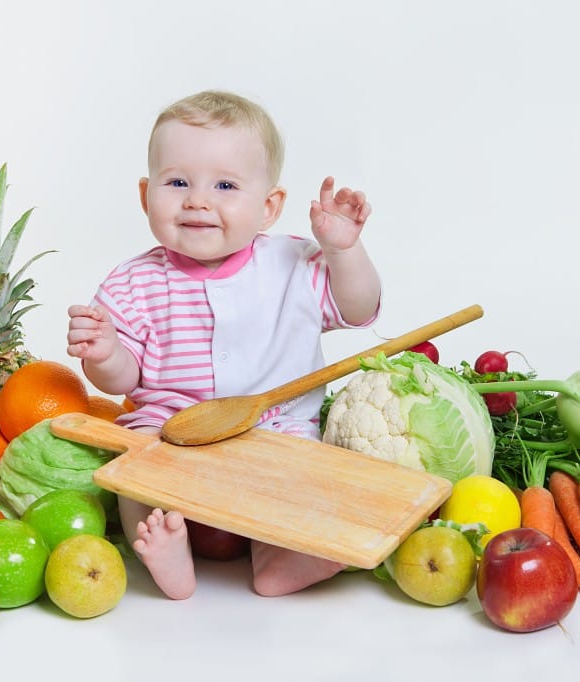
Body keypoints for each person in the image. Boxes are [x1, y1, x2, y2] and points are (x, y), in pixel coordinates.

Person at [66, 90, 382, 599]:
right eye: (177, 182)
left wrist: (343, 252)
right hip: (171, 429)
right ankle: (166, 549)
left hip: (276, 429)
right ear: (146, 196)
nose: (197, 200)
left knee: (305, 484)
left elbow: (359, 308)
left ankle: (281, 559)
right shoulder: (132, 285)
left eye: (225, 185)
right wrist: (105, 354)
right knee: (135, 473)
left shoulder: (294, 266)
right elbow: (124, 379)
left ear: (269, 207)